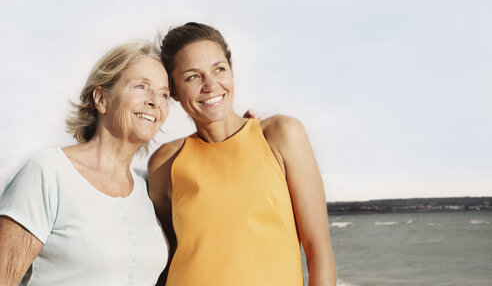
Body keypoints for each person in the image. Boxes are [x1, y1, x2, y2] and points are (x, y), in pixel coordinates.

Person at [148, 22, 337, 286]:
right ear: (175, 92)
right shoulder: (164, 162)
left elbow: (320, 254)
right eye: (193, 76)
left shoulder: (280, 135)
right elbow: (164, 259)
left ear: (231, 73)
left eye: (219, 69)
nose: (211, 85)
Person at [0, 40, 170, 286]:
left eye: (164, 94)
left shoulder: (150, 187)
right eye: (141, 86)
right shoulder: (47, 172)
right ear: (101, 98)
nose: (155, 100)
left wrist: (245, 134)